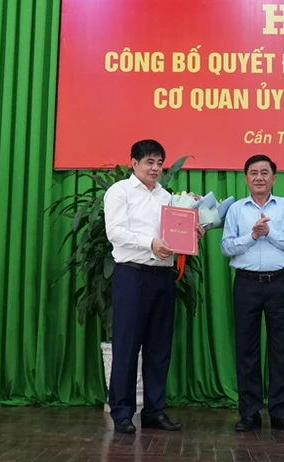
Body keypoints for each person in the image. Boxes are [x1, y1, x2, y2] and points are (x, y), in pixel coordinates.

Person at [103, 139, 204, 434]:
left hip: (163, 277)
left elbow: (175, 233)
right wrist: (150, 243)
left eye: (160, 163)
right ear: (133, 163)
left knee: (159, 348)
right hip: (132, 275)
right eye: (149, 162)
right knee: (126, 346)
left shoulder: (167, 197)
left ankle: (154, 411)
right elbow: (115, 231)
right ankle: (122, 412)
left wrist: (193, 230)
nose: (156, 168)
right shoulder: (119, 191)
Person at [220, 154, 284, 432]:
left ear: (274, 178)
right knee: (247, 350)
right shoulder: (236, 210)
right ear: (245, 179)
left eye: (264, 173)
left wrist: (270, 232)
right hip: (246, 284)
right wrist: (252, 236)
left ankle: (280, 412)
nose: (259, 177)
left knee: (281, 349)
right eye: (253, 173)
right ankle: (249, 413)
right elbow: (226, 247)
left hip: (279, 283)